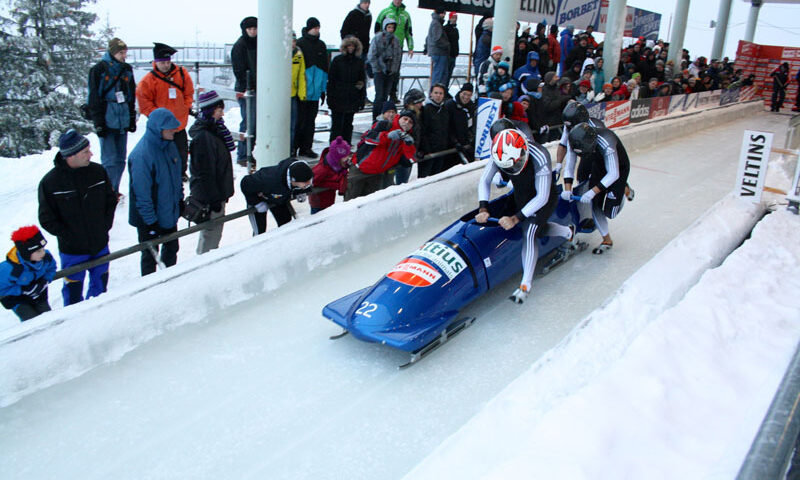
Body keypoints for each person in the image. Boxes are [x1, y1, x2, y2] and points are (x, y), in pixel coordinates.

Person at [475, 123, 574, 304]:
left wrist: (516, 218)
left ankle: (525, 284)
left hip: (543, 196)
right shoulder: (499, 151)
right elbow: (485, 180)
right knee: (540, 230)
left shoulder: (540, 154)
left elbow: (542, 196)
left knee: (529, 231)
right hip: (522, 193)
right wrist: (483, 207)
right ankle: (568, 232)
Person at [38, 129, 117, 305]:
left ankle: (99, 315)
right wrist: (70, 235)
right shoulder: (50, 182)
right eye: (85, 152)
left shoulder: (98, 171)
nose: (91, 154)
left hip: (100, 244)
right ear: (71, 156)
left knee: (100, 291)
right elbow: (46, 218)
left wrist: (104, 225)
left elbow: (110, 200)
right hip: (72, 251)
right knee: (73, 295)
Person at [128, 108, 184, 276]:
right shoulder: (142, 155)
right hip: (150, 218)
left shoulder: (170, 146)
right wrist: (149, 222)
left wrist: (179, 201)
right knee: (150, 258)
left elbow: (176, 178)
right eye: (170, 128)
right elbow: (141, 193)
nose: (174, 130)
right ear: (159, 129)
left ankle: (170, 280)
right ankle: (151, 286)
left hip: (168, 212)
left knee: (172, 249)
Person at [563, 121, 631, 254]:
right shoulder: (574, 143)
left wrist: (592, 192)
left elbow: (613, 173)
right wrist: (567, 189)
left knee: (610, 212)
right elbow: (570, 166)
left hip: (618, 168)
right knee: (595, 204)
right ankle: (607, 240)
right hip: (599, 166)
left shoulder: (606, 141)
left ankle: (624, 188)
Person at [136, 42, 195, 182]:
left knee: (181, 151)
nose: (166, 65)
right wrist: (158, 117)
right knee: (162, 151)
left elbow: (189, 92)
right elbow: (144, 103)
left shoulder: (182, 74)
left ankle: (181, 172)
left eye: (168, 62)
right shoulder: (148, 81)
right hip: (162, 127)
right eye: (162, 62)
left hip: (179, 123)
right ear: (156, 62)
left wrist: (185, 106)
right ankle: (163, 173)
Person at [87, 37, 136, 194]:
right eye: (121, 53)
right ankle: (108, 190)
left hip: (122, 117)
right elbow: (94, 97)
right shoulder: (98, 70)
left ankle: (114, 188)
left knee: (121, 159)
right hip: (108, 118)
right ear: (113, 52)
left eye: (125, 53)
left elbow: (131, 95)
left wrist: (132, 117)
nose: (124, 56)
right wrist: (98, 122)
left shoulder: (126, 69)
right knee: (109, 159)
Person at [188, 91, 235, 254]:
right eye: (219, 110)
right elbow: (205, 172)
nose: (222, 113)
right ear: (210, 111)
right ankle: (205, 262)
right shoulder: (205, 137)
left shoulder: (215, 131)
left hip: (216, 193)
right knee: (210, 234)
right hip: (210, 196)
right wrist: (214, 198)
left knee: (213, 233)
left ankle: (207, 258)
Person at [346, 109, 416, 200]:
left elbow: (409, 161)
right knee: (350, 201)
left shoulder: (407, 137)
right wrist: (387, 136)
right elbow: (368, 138)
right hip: (360, 170)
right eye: (405, 119)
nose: (406, 123)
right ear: (399, 118)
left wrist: (409, 145)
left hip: (377, 175)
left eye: (410, 122)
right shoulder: (385, 125)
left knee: (370, 202)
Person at [240, 159, 313, 235]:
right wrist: (256, 203)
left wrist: (300, 191)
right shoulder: (269, 179)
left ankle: (283, 240)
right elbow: (245, 183)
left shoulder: (299, 171)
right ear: (292, 180)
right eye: (305, 183)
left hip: (278, 197)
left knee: (286, 222)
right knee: (260, 230)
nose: (308, 184)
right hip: (258, 196)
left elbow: (303, 181)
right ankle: (257, 241)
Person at [0, 226, 57, 321]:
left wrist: (45, 280)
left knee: (49, 318)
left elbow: (51, 268)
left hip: (39, 294)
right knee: (32, 321)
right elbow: (2, 289)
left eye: (43, 248)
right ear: (26, 253)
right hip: (19, 300)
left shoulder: (46, 258)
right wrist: (22, 290)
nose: (43, 253)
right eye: (38, 251)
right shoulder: (9, 269)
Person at [296, 17, 330, 159]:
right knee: (299, 121)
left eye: (318, 27)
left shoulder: (321, 45)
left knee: (310, 122)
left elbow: (324, 69)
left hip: (315, 91)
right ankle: (294, 147)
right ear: (309, 28)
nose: (317, 30)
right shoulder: (300, 44)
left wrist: (322, 90)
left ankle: (306, 147)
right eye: (315, 27)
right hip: (302, 91)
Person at [327, 37, 366, 144]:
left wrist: (361, 99)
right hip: (338, 96)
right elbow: (331, 80)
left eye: (353, 46)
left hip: (352, 97)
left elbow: (362, 81)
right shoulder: (337, 60)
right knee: (336, 125)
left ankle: (346, 146)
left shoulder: (359, 62)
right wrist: (330, 97)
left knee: (348, 125)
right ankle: (334, 147)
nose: (351, 48)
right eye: (349, 45)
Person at [374, 0, 414, 104]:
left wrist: (410, 47)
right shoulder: (385, 12)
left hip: (398, 47)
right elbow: (377, 28)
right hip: (384, 47)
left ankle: (392, 94)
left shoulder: (406, 15)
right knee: (382, 70)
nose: (398, 1)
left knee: (395, 72)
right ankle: (381, 95)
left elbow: (408, 31)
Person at [232, 16, 258, 167]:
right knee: (249, 122)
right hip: (246, 90)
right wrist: (248, 85)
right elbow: (238, 70)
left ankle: (249, 151)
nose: (253, 31)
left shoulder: (260, 43)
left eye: (255, 28)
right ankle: (243, 154)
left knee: (255, 123)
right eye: (250, 29)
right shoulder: (240, 46)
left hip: (258, 88)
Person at [368, 17, 402, 121]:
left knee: (385, 96)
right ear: (385, 27)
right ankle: (375, 119)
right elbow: (372, 55)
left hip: (390, 72)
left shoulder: (396, 40)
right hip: (379, 71)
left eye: (392, 27)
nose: (391, 29)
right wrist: (377, 68)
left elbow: (397, 56)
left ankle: (383, 118)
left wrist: (394, 69)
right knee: (379, 96)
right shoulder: (377, 38)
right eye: (389, 27)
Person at [309, 136, 352, 214]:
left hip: (329, 200)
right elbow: (311, 182)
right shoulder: (322, 170)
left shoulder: (337, 166)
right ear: (337, 157)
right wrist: (334, 185)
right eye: (345, 156)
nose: (348, 158)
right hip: (318, 203)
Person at [393, 88, 424, 185]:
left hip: (409, 153)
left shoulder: (416, 114)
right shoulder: (408, 116)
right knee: (402, 182)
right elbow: (404, 136)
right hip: (404, 156)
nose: (421, 105)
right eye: (419, 103)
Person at [418, 83, 449, 178]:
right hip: (429, 152)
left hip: (441, 150)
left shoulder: (445, 109)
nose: (438, 96)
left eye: (440, 93)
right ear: (431, 94)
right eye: (436, 93)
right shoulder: (426, 110)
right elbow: (423, 131)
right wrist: (426, 148)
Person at [446, 82, 476, 163]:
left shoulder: (471, 106)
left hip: (466, 143)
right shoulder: (450, 105)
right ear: (460, 92)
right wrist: (454, 142)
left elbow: (471, 124)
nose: (466, 97)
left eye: (469, 95)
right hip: (452, 144)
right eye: (464, 94)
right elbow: (447, 126)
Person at [291, 32, 307, 156]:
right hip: (279, 96)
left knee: (293, 125)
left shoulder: (298, 55)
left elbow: (301, 75)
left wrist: (302, 94)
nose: (292, 44)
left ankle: (290, 148)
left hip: (293, 94)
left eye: (294, 41)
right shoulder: (278, 53)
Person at [424, 9, 450, 88]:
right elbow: (437, 38)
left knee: (439, 74)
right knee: (439, 75)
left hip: (437, 52)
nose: (444, 15)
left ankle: (437, 91)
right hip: (439, 52)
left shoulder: (435, 22)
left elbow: (429, 37)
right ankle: (435, 92)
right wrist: (447, 45)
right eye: (443, 13)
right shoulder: (436, 23)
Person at [443, 12, 459, 87]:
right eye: (453, 17)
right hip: (447, 55)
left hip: (453, 55)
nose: (455, 19)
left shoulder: (455, 29)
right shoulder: (446, 28)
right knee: (445, 74)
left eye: (456, 18)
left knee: (449, 74)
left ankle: (446, 88)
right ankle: (444, 88)